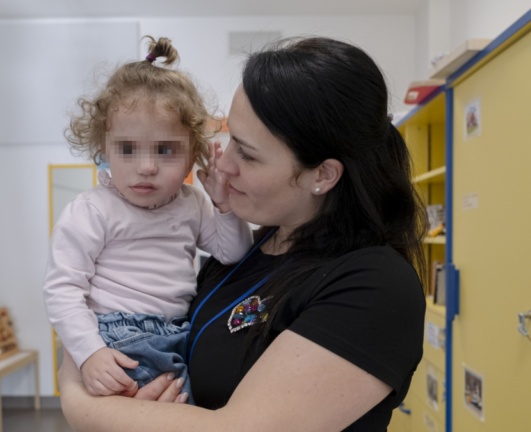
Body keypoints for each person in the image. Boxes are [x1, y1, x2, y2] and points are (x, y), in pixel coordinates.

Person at [58, 36, 427, 431]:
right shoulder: (248, 254)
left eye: (248, 153)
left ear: (322, 174)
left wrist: (81, 405)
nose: (224, 164)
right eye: (231, 138)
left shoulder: (373, 287)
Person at [43, 37, 253, 404]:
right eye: (127, 149)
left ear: (192, 156)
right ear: (103, 149)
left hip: (177, 334)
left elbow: (233, 253)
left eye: (166, 150)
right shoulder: (92, 210)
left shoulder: (192, 203)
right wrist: (89, 352)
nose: (147, 167)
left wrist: (224, 206)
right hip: (117, 336)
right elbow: (62, 290)